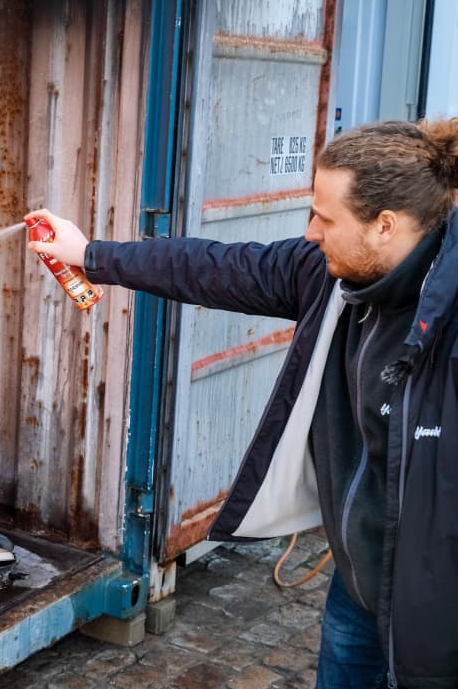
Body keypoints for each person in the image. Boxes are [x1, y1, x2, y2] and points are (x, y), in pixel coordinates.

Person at [26, 118, 458, 689]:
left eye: (326, 218)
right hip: (358, 589)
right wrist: (90, 254)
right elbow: (219, 267)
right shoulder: (332, 277)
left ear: (385, 226)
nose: (309, 232)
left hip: (436, 614)